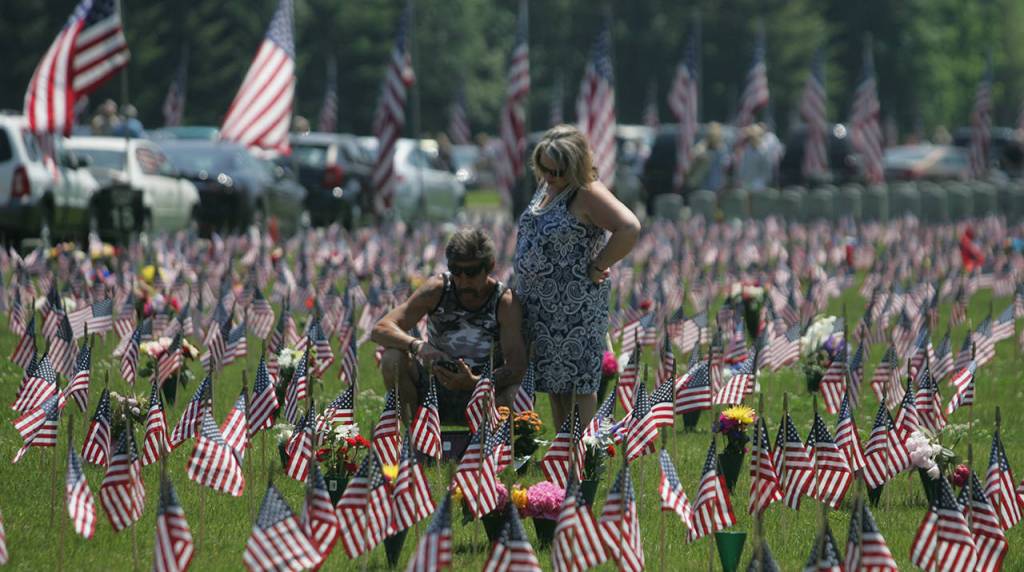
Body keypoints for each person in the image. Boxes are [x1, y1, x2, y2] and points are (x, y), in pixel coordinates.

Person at [514, 124, 640, 430]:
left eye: (557, 171)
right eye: (544, 168)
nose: (549, 176)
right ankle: (564, 451)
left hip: (574, 307)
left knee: (578, 384)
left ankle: (583, 456)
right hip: (542, 307)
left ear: (574, 166)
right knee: (556, 388)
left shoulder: (586, 192)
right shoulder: (549, 186)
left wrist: (599, 264)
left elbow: (629, 227)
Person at [372, 227, 527, 425]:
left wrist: (476, 382)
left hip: (483, 394)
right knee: (392, 358)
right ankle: (414, 444)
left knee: (517, 394)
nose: (463, 281)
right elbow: (381, 328)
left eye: (471, 272)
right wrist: (417, 345)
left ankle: (498, 450)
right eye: (456, 270)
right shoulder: (437, 289)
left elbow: (517, 366)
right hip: (433, 392)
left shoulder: (504, 302)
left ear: (490, 266)